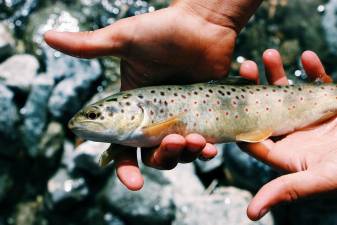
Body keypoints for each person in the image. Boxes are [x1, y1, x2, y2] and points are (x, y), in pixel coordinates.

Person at [43, 0, 337, 221]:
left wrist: (207, 14)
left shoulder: (141, 127)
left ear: (132, 111)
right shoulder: (130, 131)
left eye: (94, 116)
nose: (84, 122)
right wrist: (207, 15)